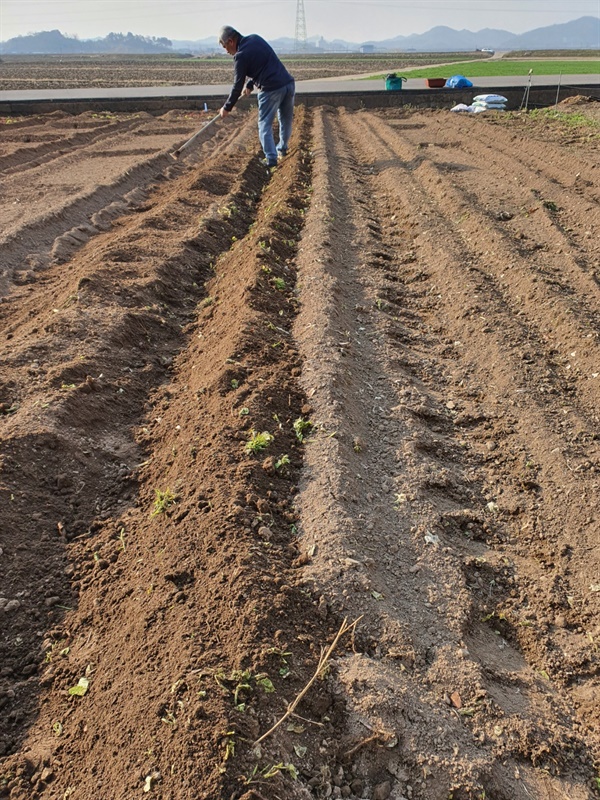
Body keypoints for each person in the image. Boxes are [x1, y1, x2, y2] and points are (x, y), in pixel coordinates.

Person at [218, 25, 295, 169]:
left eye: (224, 47)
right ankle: (282, 150)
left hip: (271, 89)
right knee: (285, 119)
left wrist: (227, 107)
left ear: (230, 41)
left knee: (264, 124)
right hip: (288, 84)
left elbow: (237, 86)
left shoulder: (240, 56)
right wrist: (250, 84)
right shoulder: (255, 39)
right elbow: (265, 64)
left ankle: (271, 159)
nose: (226, 51)